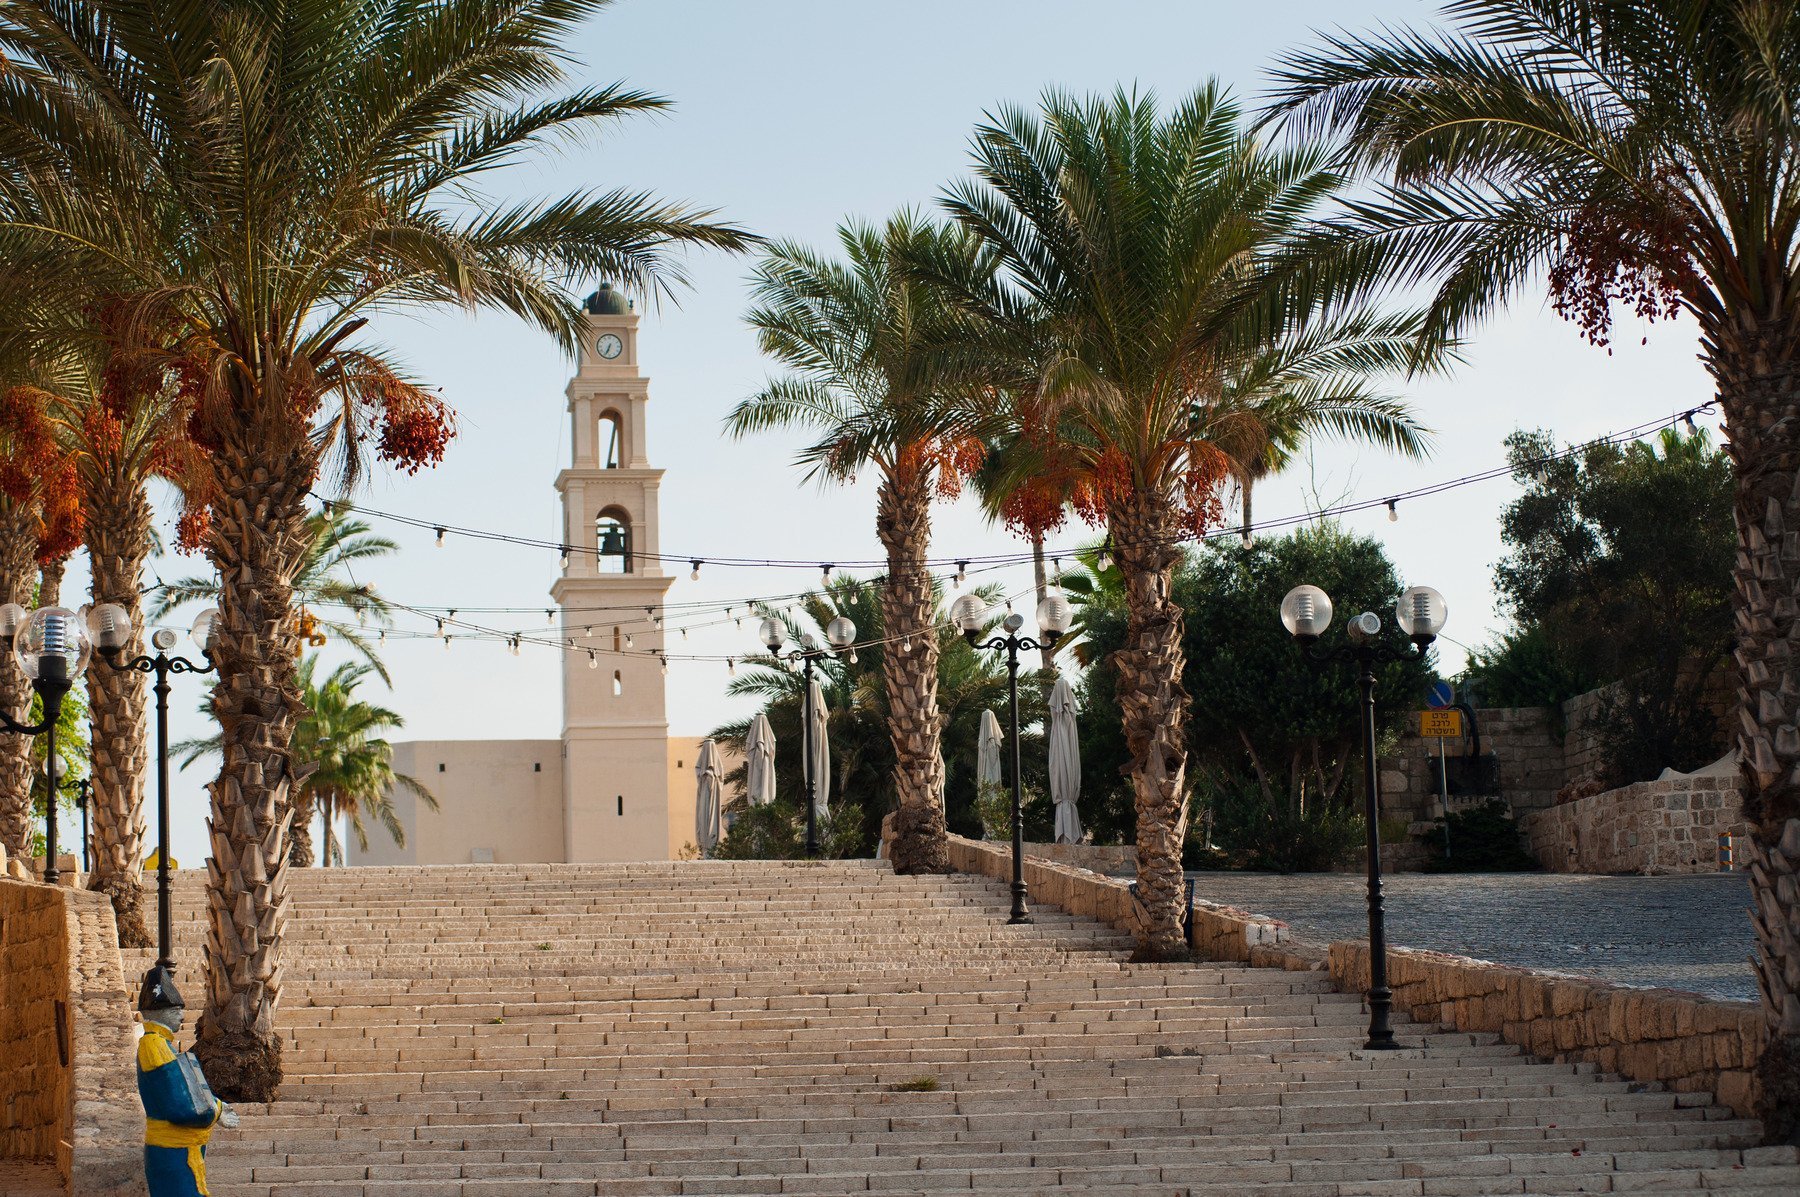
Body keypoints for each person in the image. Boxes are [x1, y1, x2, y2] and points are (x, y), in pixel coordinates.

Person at [136, 966, 238, 1196]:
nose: (181, 1017)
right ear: (161, 1012)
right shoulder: (154, 1046)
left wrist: (218, 1106)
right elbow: (178, 1103)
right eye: (175, 1011)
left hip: (179, 1149)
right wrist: (216, 1111)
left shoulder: (161, 1045)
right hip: (173, 1150)